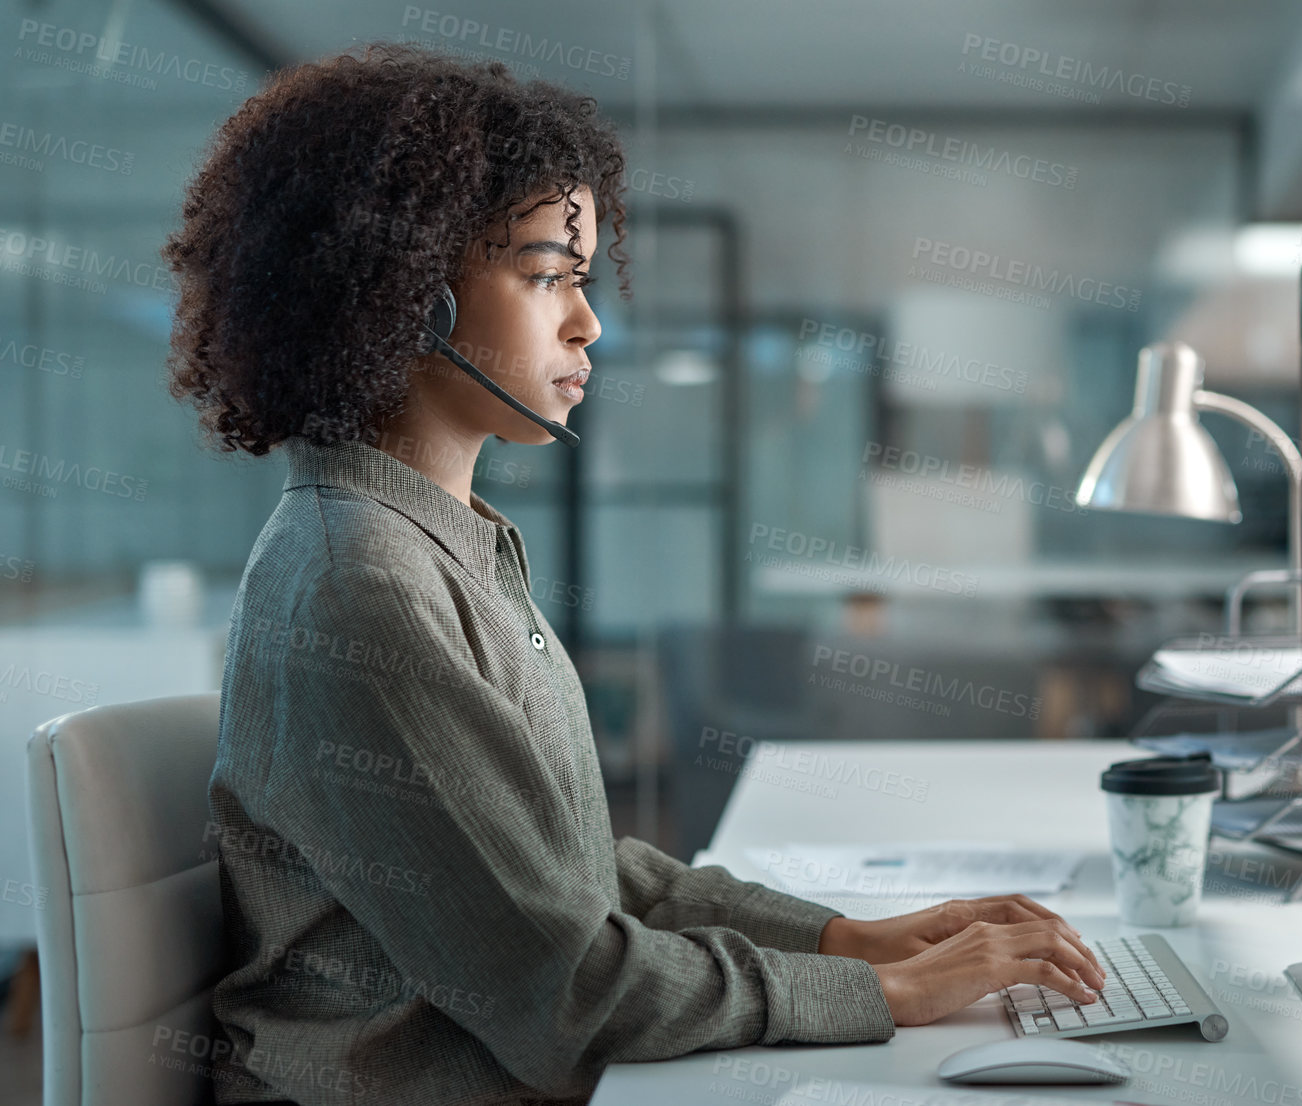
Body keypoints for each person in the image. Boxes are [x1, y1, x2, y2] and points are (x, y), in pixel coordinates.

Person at [163, 43, 1104, 1106]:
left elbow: (575, 879)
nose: (588, 320)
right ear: (407, 299)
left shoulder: (438, 543)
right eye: (545, 275)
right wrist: (876, 990)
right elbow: (566, 991)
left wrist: (852, 936)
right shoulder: (361, 585)